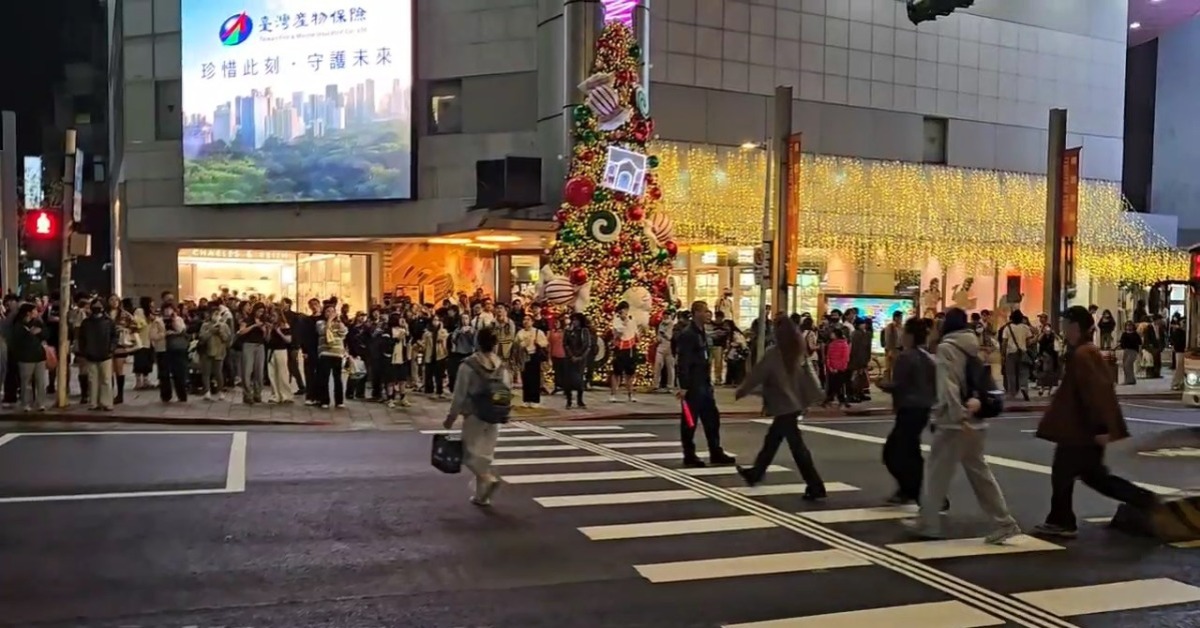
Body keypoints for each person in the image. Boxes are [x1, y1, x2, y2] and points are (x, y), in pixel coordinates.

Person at [1031, 306, 1162, 539]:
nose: (1063, 329)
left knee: (1067, 474)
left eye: (1066, 325)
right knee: (1094, 477)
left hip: (1081, 431)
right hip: (1079, 430)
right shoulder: (1082, 352)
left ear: (1076, 327)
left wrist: (1101, 427)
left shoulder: (1085, 354)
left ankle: (1062, 520)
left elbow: (1096, 391)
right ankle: (1145, 500)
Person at [902, 307, 1022, 545]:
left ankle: (928, 522)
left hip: (955, 422)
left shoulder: (947, 348)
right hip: (975, 419)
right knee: (979, 473)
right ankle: (1004, 522)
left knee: (936, 473)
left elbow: (948, 386)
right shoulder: (971, 345)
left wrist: (956, 416)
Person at [735, 315, 826, 499]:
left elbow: (758, 374)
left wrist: (743, 390)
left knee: (796, 447)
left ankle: (815, 485)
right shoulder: (797, 352)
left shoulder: (774, 354)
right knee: (773, 440)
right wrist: (814, 396)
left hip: (784, 405)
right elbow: (808, 377)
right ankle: (756, 473)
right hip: (794, 404)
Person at [443, 326, 508, 506]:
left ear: (477, 342)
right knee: (485, 455)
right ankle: (482, 497)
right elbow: (506, 390)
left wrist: (451, 417)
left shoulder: (468, 365)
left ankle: (487, 478)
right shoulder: (501, 365)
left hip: (474, 414)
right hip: (495, 414)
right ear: (495, 344)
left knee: (468, 454)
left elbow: (459, 394)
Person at [877, 317, 937, 505]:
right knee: (911, 451)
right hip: (923, 408)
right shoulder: (928, 358)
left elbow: (899, 385)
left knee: (893, 453)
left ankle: (916, 490)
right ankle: (912, 490)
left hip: (908, 408)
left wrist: (882, 384)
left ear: (910, 336)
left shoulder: (905, 357)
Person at [674, 300, 736, 468]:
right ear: (696, 313)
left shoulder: (703, 332)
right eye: (705, 311)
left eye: (708, 311)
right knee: (690, 422)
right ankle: (689, 454)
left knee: (712, 419)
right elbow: (683, 361)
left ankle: (715, 451)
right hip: (693, 385)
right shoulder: (688, 334)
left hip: (704, 383)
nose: (709, 314)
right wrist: (683, 385)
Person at [78, 300, 118, 411]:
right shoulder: (86, 323)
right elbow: (81, 338)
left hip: (105, 354)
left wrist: (111, 349)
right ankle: (94, 402)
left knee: (105, 379)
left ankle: (105, 402)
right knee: (93, 380)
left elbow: (114, 337)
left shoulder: (108, 322)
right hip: (91, 354)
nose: (97, 308)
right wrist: (84, 351)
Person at [11, 303, 47, 412]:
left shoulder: (38, 322)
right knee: (26, 382)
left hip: (39, 356)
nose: (37, 312)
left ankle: (41, 403)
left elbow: (46, 334)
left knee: (41, 381)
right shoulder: (18, 325)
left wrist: (41, 332)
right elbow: (19, 340)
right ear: (28, 313)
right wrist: (31, 334)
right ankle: (25, 403)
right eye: (34, 310)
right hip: (25, 358)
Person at [315, 303, 348, 409]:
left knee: (338, 378)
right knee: (324, 377)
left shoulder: (339, 323)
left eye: (332, 311)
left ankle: (339, 401)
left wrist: (339, 323)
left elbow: (343, 333)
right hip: (325, 353)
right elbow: (322, 331)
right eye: (328, 311)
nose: (330, 313)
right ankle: (324, 401)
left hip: (337, 353)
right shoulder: (320, 323)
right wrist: (329, 321)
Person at [198, 305, 231, 400]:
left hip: (219, 352)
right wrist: (211, 331)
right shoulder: (205, 325)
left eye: (218, 314)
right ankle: (207, 391)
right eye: (215, 314)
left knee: (218, 372)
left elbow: (227, 339)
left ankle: (220, 390)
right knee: (206, 372)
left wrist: (221, 332)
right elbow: (202, 338)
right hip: (206, 351)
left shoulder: (224, 326)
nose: (216, 316)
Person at [610, 301, 639, 402]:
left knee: (630, 373)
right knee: (617, 372)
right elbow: (618, 333)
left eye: (626, 309)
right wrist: (624, 322)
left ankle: (631, 395)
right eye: (623, 310)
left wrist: (637, 337)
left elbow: (635, 332)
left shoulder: (632, 319)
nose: (625, 312)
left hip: (630, 348)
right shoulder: (616, 320)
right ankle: (613, 394)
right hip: (620, 348)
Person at [516, 315, 548, 407]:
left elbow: (545, 343)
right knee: (525, 378)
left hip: (534, 356)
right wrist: (522, 345)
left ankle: (535, 400)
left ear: (532, 322)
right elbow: (516, 344)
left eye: (528, 319)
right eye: (524, 319)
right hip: (524, 356)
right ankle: (526, 399)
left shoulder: (538, 332)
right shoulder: (520, 333)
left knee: (535, 379)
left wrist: (538, 343)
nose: (526, 321)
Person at [563, 312, 592, 409]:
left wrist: (580, 357)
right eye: (573, 320)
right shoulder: (568, 331)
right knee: (568, 380)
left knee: (579, 380)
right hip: (569, 358)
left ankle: (580, 400)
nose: (575, 322)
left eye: (576, 320)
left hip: (581, 359)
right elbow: (565, 344)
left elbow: (587, 346)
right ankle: (569, 401)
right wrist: (571, 355)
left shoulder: (585, 331)